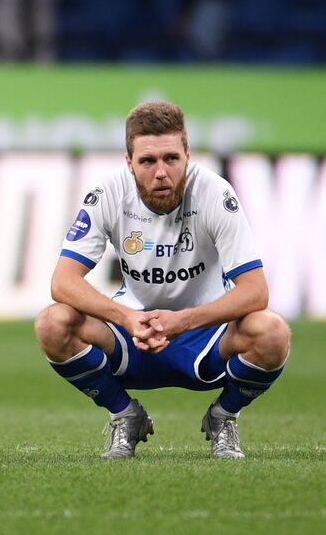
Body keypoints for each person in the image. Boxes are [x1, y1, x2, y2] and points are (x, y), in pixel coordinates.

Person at [34, 100, 291, 459]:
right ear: (129, 162)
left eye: (171, 158)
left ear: (188, 155)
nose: (160, 173)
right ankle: (124, 415)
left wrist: (182, 321)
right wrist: (126, 318)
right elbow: (62, 282)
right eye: (147, 161)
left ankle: (224, 416)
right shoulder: (108, 193)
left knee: (273, 332)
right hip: (132, 334)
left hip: (205, 337)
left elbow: (255, 291)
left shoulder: (215, 194)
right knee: (52, 324)